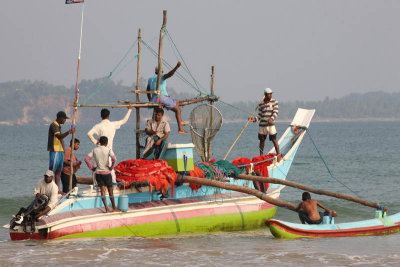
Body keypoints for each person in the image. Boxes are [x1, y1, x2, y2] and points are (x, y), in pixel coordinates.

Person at [87, 104, 132, 185]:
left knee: (96, 170)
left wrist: (95, 141)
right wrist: (129, 110)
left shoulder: (98, 126)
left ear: (101, 116)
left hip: (99, 151)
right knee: (111, 171)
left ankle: (96, 187)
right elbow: (124, 120)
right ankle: (113, 186)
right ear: (108, 116)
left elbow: (89, 134)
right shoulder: (113, 124)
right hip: (108, 151)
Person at [147, 61, 188, 134]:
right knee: (178, 110)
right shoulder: (161, 76)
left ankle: (180, 121)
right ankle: (180, 128)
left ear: (155, 72)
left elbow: (148, 90)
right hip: (161, 97)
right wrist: (177, 66)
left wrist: (151, 101)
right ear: (161, 71)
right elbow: (170, 74)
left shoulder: (150, 79)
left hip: (154, 99)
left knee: (175, 101)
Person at [85, 136, 119, 213]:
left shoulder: (94, 150)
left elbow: (86, 159)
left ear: (99, 142)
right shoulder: (108, 150)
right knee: (110, 190)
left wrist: (92, 168)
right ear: (106, 143)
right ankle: (114, 208)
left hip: (98, 173)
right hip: (107, 173)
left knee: (102, 190)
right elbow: (114, 159)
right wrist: (111, 167)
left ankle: (106, 209)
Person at [249, 88, 281, 159]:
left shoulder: (274, 102)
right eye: (269, 94)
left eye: (271, 94)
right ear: (265, 95)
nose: (270, 95)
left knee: (274, 139)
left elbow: (275, 112)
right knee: (262, 140)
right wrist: (254, 119)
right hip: (262, 126)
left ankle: (278, 155)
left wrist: (271, 119)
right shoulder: (261, 104)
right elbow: (259, 115)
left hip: (270, 125)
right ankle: (261, 156)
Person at [48, 111, 75, 187]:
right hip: (55, 150)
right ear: (60, 118)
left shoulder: (58, 126)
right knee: (51, 171)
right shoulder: (54, 125)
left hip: (60, 150)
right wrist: (69, 132)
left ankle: (57, 188)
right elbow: (59, 136)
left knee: (58, 172)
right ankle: (49, 186)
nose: (65, 120)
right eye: (64, 119)